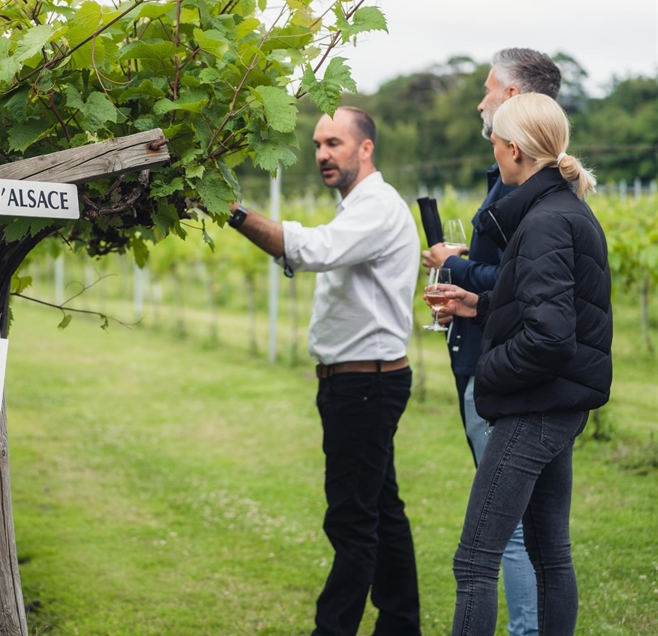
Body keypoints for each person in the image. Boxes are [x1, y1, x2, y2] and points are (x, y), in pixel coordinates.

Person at [227, 107, 421, 636]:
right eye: (317, 145)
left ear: (366, 148)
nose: (321, 155)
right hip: (359, 382)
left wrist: (235, 213)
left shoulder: (376, 206)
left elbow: (313, 250)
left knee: (352, 520)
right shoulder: (357, 207)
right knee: (381, 511)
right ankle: (401, 625)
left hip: (365, 385)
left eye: (334, 143)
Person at [438, 92, 612, 636]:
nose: (493, 149)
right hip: (558, 405)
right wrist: (479, 305)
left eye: (495, 141)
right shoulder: (565, 210)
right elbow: (550, 307)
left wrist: (487, 372)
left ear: (513, 149)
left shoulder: (543, 223)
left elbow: (549, 337)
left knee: (474, 562)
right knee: (550, 556)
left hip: (533, 409)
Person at [422, 48, 562, 636]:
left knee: (496, 541)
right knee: (541, 539)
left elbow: (521, 289)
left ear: (512, 98)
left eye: (487, 89)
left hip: (503, 373)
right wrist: (469, 292)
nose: (480, 101)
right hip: (503, 364)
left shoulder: (533, 199)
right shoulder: (540, 192)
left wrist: (455, 269)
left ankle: (526, 629)